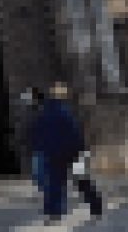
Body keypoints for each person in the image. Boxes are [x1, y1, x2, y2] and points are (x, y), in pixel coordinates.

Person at [26, 82, 89, 224]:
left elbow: (37, 132)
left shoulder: (48, 111)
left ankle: (53, 212)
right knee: (65, 182)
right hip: (61, 152)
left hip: (52, 151)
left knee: (53, 183)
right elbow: (73, 132)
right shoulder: (59, 111)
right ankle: (57, 211)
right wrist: (80, 150)